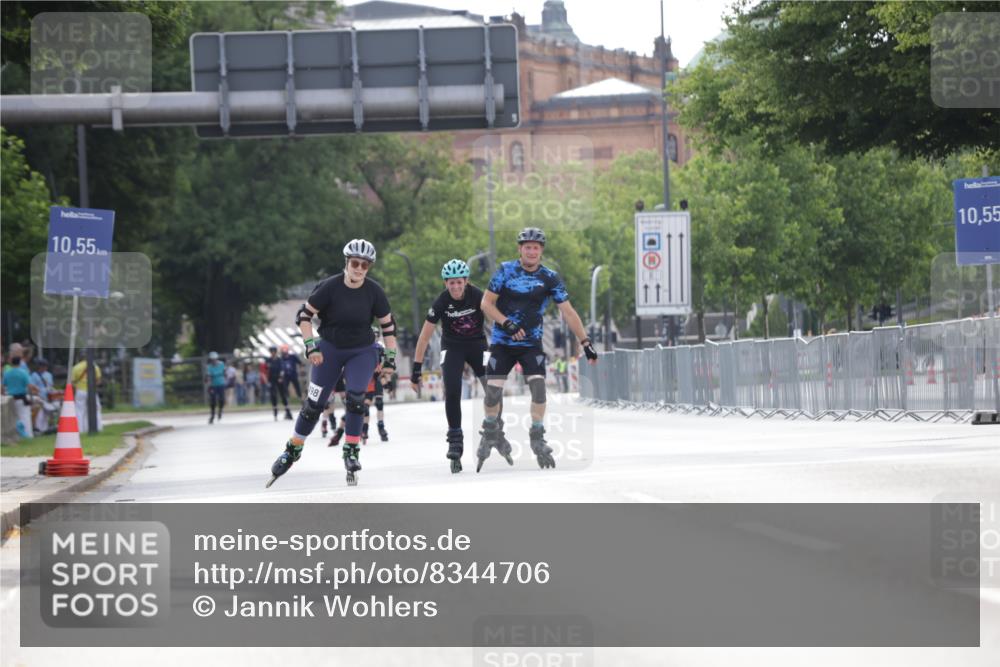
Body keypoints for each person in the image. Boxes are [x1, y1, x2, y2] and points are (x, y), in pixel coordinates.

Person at [268, 239, 398, 487]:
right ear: (346, 262)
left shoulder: (374, 291)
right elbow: (304, 316)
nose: (359, 269)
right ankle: (292, 449)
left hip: (362, 350)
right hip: (329, 349)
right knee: (314, 405)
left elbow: (388, 327)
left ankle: (351, 451)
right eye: (355, 263)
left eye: (365, 265)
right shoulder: (330, 287)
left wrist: (390, 360)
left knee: (356, 399)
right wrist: (311, 346)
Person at [477, 227, 598, 471]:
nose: (531, 252)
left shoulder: (549, 278)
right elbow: (486, 304)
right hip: (502, 342)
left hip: (531, 344)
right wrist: (506, 323)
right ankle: (490, 430)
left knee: (539, 389)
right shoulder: (505, 270)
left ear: (541, 251)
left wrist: (585, 342)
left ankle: (537, 435)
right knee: (492, 393)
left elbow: (568, 312)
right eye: (527, 247)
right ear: (520, 249)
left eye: (535, 248)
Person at [410, 258, 493, 473]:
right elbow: (424, 337)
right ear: (445, 283)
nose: (455, 287)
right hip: (452, 347)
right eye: (451, 283)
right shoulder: (441, 302)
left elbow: (495, 318)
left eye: (459, 282)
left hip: (477, 345)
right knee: (453, 390)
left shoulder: (477, 295)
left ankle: (492, 427)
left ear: (466, 281)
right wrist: (416, 369)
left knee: (493, 387)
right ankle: (455, 440)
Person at [3, 351, 33, 439]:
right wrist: (31, 398)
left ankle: (14, 435)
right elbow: (29, 386)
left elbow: (2, 387)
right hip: (21, 398)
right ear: (20, 363)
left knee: (13, 418)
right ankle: (28, 435)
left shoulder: (7, 373)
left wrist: (4, 396)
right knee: (25, 417)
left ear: (11, 363)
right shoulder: (23, 372)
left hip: (10, 399)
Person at [70, 358, 103, 433]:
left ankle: (80, 430)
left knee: (80, 411)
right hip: (92, 391)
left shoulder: (76, 367)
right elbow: (98, 381)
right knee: (96, 409)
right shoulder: (95, 366)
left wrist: (77, 386)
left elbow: (72, 382)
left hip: (80, 391)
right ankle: (98, 428)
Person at [29, 357, 59, 434]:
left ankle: (47, 428)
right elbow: (32, 387)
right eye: (42, 366)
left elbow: (51, 386)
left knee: (48, 414)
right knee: (40, 414)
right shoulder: (34, 375)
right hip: (39, 397)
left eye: (45, 366)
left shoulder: (49, 375)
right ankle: (40, 429)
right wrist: (37, 395)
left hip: (48, 397)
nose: (44, 367)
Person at [266, 346, 292, 421]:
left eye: (274, 352)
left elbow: (282, 369)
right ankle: (275, 413)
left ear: (276, 352)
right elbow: (266, 370)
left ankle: (288, 412)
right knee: (273, 396)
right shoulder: (268, 360)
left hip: (279, 379)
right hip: (271, 380)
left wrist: (281, 377)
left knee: (283, 395)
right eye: (271, 352)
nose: (273, 353)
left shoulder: (279, 360)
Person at [205, 352, 226, 424]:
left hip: (221, 384)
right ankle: (212, 415)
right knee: (213, 401)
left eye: (215, 359)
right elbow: (208, 376)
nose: (214, 361)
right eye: (212, 360)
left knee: (222, 399)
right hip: (213, 385)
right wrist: (209, 384)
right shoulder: (209, 367)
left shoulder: (222, 364)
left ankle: (220, 411)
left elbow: (224, 373)